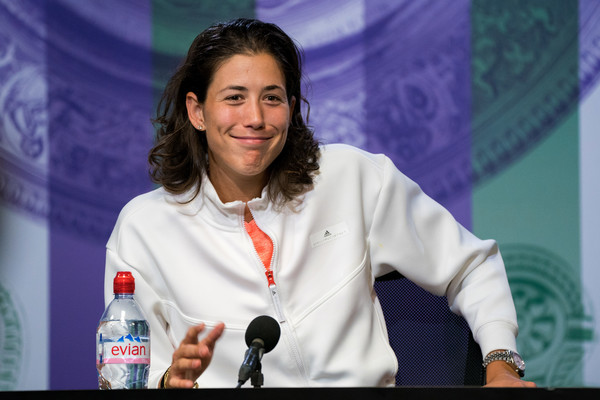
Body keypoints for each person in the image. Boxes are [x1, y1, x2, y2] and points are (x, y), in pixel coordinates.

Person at [104, 18, 536, 389]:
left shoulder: (352, 178)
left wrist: (500, 367)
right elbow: (127, 377)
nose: (255, 117)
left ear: (291, 109)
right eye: (234, 97)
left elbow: (471, 267)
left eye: (272, 98)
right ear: (197, 112)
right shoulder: (144, 229)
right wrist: (166, 383)